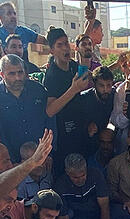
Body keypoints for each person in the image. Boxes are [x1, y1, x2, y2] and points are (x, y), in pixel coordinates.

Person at [44, 26, 94, 174]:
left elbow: (85, 78)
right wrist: (73, 89)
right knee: (69, 172)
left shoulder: (73, 65)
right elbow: (50, 110)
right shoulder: (52, 75)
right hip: (64, 134)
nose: (65, 48)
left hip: (80, 127)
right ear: (52, 50)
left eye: (66, 43)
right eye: (60, 45)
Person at [0, 54, 52, 161]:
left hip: (42, 154)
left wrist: (50, 151)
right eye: (11, 74)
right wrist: (9, 160)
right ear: (2, 74)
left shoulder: (38, 90)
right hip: (14, 159)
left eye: (20, 72)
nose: (17, 78)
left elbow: (50, 120)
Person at [54, 152, 111, 219]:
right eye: (75, 177)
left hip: (97, 212)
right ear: (67, 172)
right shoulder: (60, 185)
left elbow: (104, 207)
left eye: (83, 175)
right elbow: (63, 218)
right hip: (79, 217)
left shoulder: (96, 175)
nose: (80, 180)